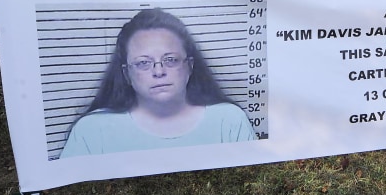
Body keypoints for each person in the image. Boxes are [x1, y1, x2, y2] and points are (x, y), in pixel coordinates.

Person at [60, 8, 257, 157]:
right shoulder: (92, 130)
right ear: (126, 74)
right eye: (143, 63)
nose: (159, 71)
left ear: (189, 66)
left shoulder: (229, 120)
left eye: (170, 60)